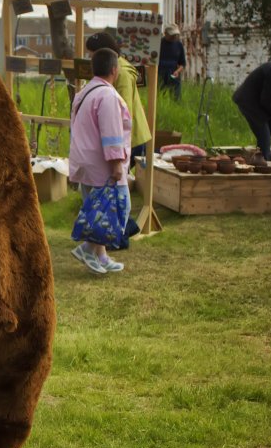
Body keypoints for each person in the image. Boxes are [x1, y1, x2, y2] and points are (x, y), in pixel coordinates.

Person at [69, 48, 132, 274]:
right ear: (114, 70)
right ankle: (87, 248)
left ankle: (102, 257)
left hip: (84, 160)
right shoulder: (107, 96)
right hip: (101, 163)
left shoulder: (84, 92)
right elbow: (111, 132)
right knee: (119, 208)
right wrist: (116, 164)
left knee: (98, 210)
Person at [85, 32, 151, 169]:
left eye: (92, 55)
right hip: (117, 137)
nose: (91, 59)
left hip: (131, 138)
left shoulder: (123, 74)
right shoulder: (111, 68)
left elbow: (124, 112)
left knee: (117, 178)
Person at [158, 24, 186, 101]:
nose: (174, 37)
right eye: (172, 35)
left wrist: (177, 71)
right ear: (165, 33)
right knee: (160, 98)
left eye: (175, 35)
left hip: (174, 74)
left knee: (176, 99)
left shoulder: (179, 45)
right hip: (160, 74)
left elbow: (182, 63)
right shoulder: (159, 44)